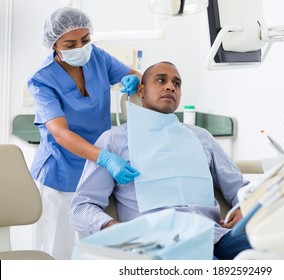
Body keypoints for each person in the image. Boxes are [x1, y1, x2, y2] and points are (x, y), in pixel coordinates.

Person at [70, 61, 253, 260]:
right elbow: (81, 207)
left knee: (276, 253)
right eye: (160, 80)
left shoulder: (201, 137)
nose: (170, 86)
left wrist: (246, 205)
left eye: (177, 83)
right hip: (161, 241)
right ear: (141, 90)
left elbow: (239, 187)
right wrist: (112, 228)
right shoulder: (114, 140)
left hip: (214, 234)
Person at [28, 7, 141, 260]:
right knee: (54, 252)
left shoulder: (98, 58)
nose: (81, 47)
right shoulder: (42, 79)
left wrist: (135, 79)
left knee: (95, 251)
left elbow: (135, 77)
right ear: (54, 44)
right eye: (70, 43)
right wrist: (105, 158)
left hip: (96, 171)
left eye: (86, 40)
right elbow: (60, 134)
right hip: (61, 170)